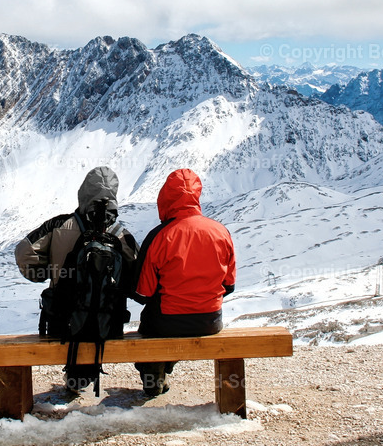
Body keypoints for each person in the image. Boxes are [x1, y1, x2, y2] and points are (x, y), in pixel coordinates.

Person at [15, 166, 138, 393]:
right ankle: (84, 375)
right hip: (108, 326)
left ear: (83, 193)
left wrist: (47, 273)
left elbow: (24, 252)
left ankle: (76, 377)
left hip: (61, 324)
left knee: (71, 322)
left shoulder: (59, 225)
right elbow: (138, 275)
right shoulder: (121, 234)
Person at [133, 168, 236, 396]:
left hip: (166, 322)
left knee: (149, 324)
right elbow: (229, 285)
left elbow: (144, 293)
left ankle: (154, 377)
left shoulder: (160, 236)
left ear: (165, 198)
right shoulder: (221, 232)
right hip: (210, 321)